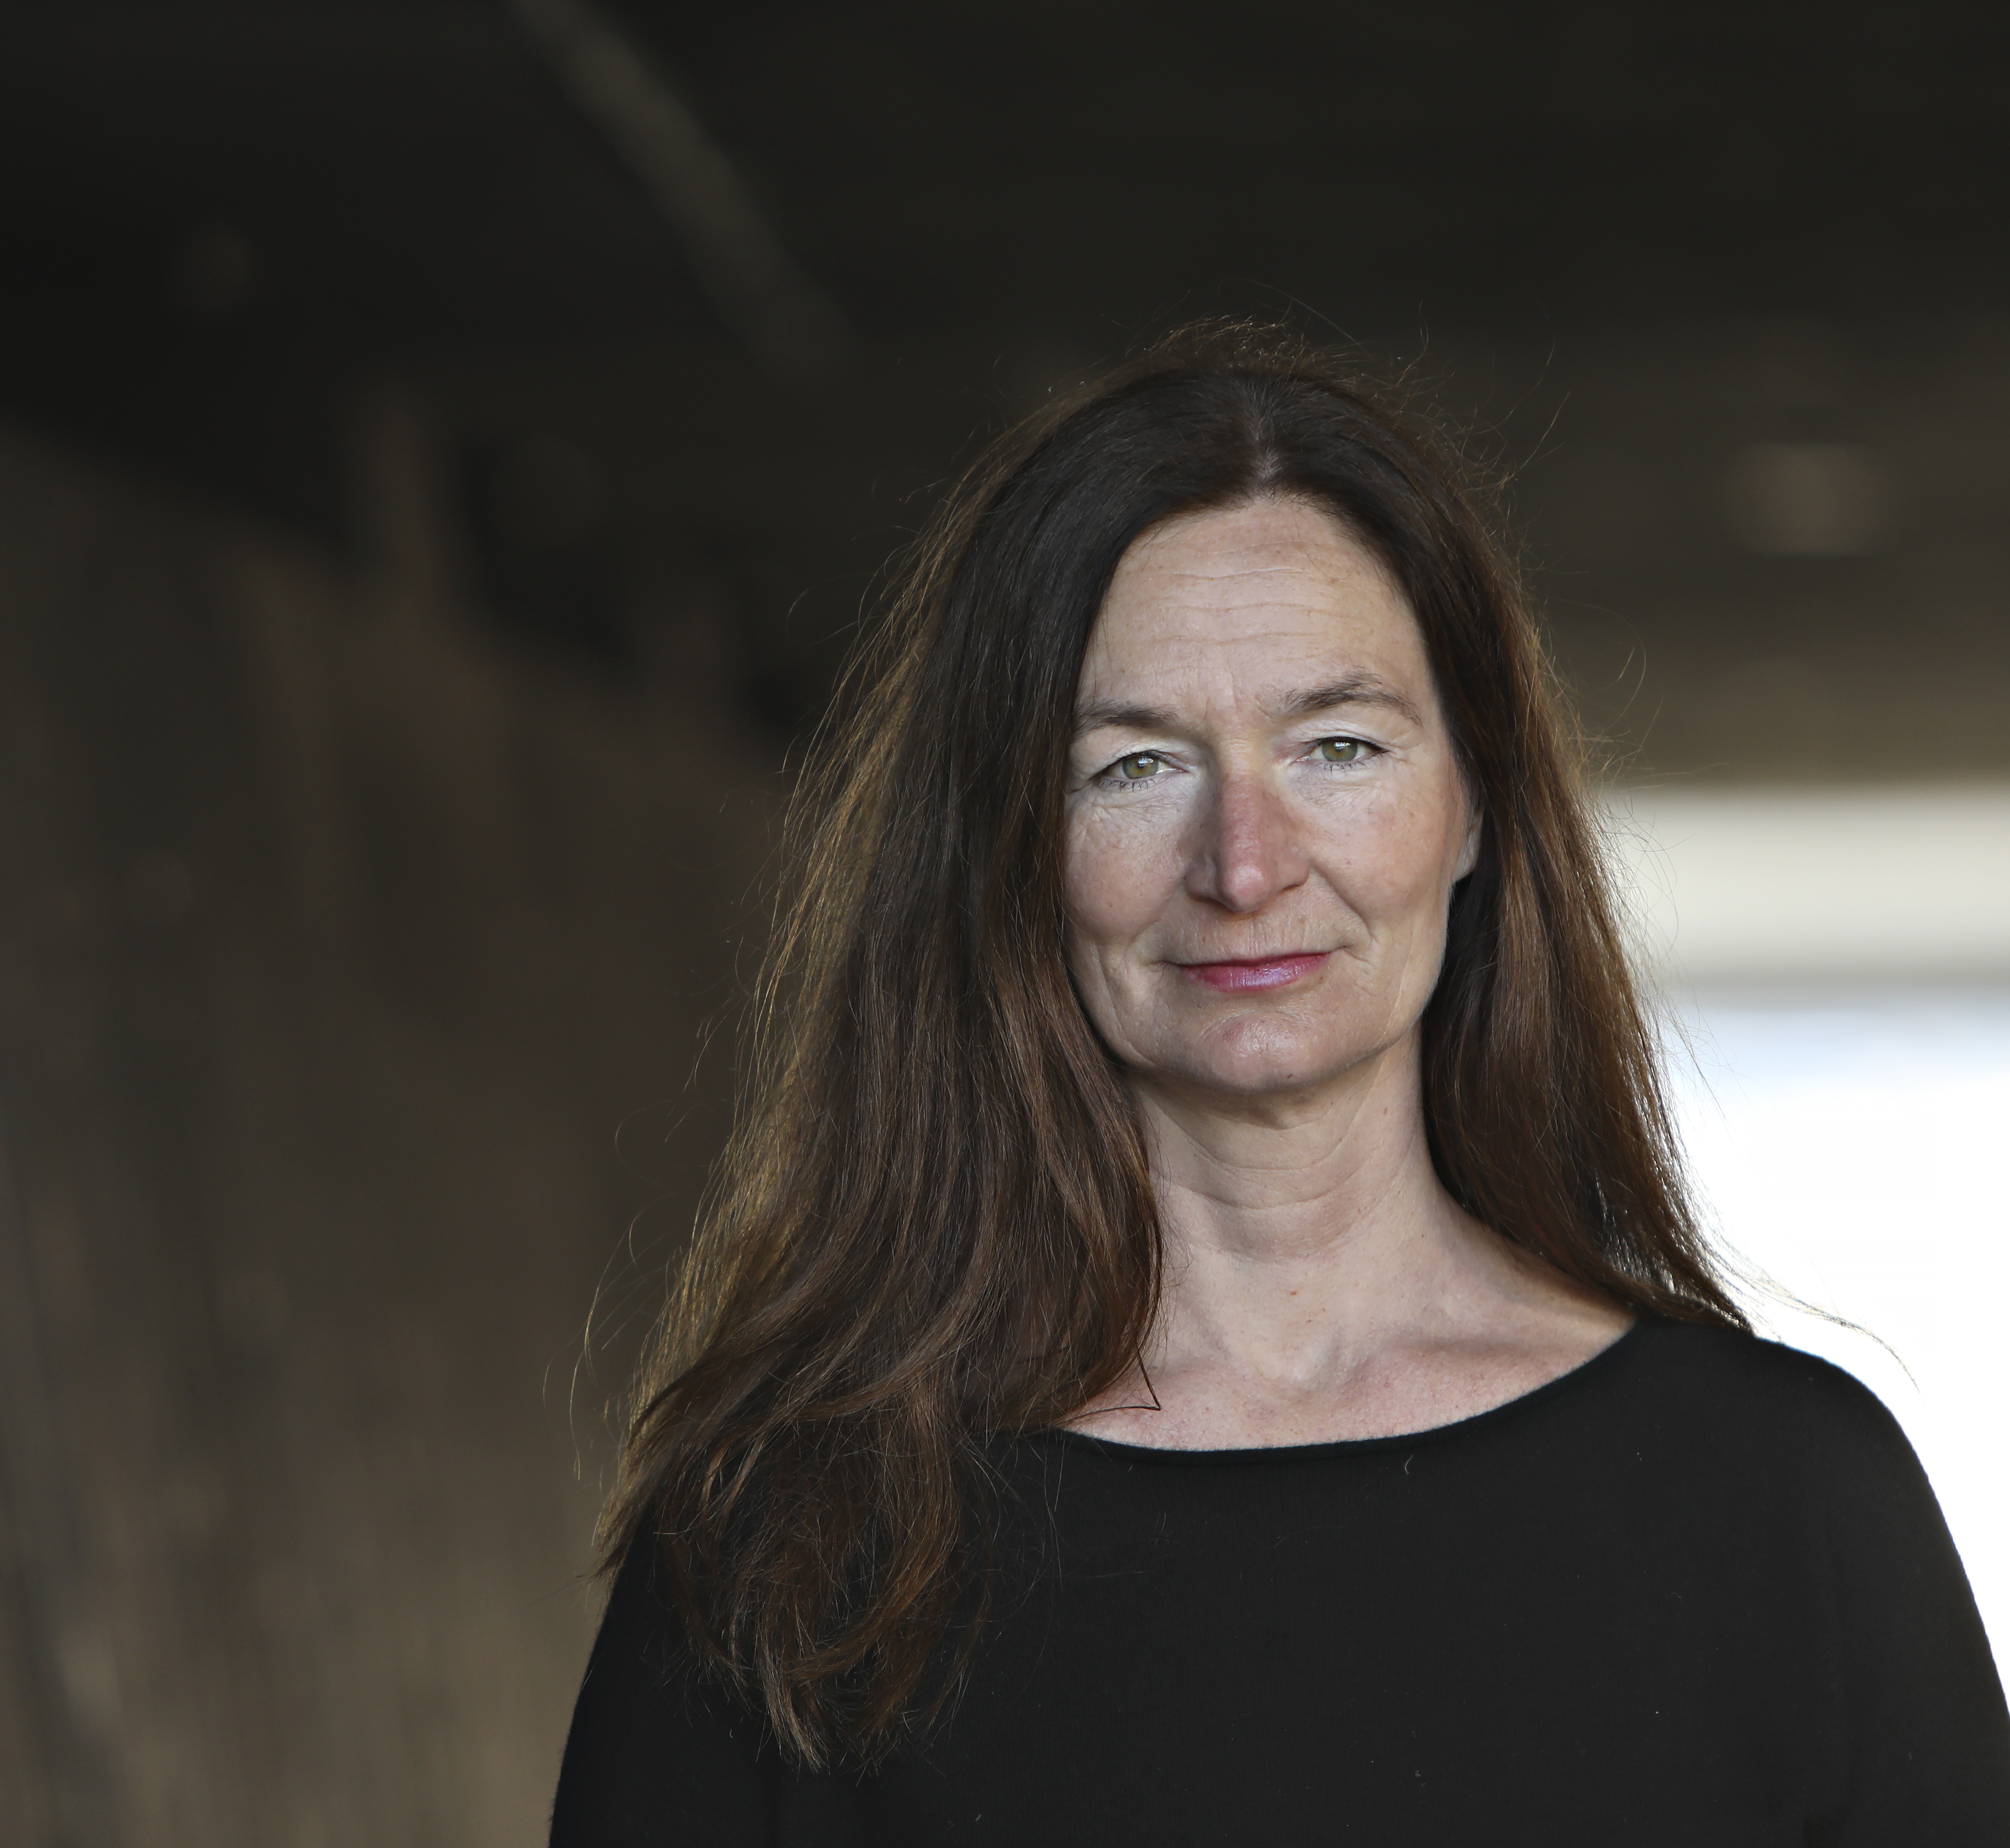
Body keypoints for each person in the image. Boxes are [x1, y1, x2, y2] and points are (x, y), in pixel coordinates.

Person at [550, 328, 2010, 1844]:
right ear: (1001, 852)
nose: (1243, 867)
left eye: (1336, 746)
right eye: (1131, 767)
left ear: (1474, 810)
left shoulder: (1783, 1506)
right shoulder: (787, 1545)